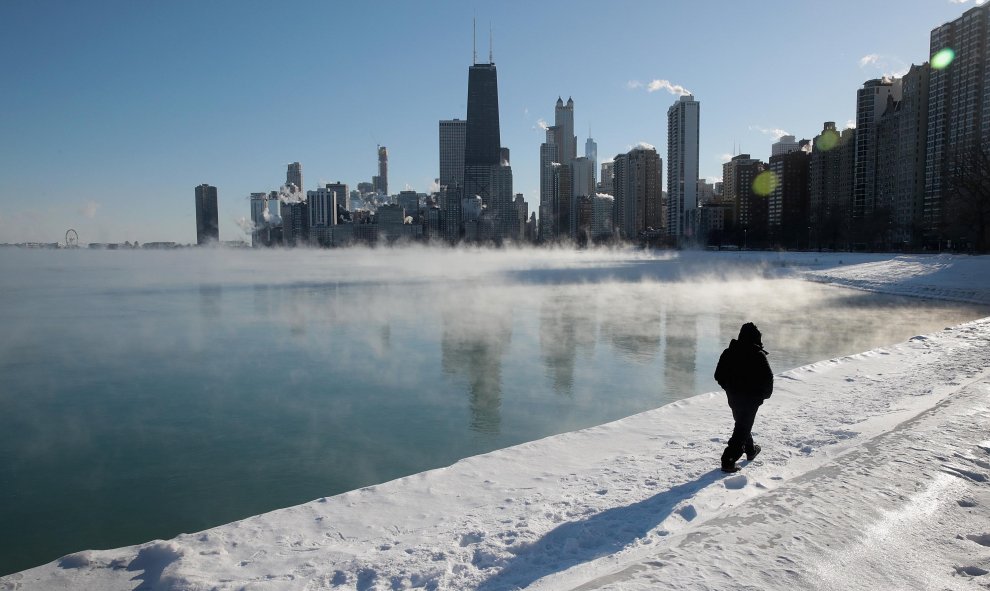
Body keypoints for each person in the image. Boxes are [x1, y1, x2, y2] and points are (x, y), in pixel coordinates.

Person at [714, 322, 773, 473]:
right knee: (742, 427)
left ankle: (751, 450)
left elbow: (718, 375)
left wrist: (728, 387)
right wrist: (762, 396)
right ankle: (728, 460)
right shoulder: (757, 355)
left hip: (733, 396)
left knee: (742, 424)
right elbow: (768, 379)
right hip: (751, 399)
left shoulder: (729, 352)